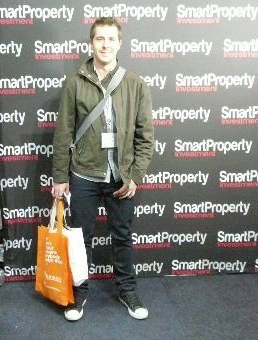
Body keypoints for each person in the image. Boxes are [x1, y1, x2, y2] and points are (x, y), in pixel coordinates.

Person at [52, 17, 154, 322]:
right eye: (99, 39)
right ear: (91, 43)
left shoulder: (135, 84)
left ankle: (127, 290)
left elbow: (145, 137)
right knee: (80, 239)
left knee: (121, 236)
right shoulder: (75, 82)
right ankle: (79, 293)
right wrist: (60, 177)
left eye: (111, 39)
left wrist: (135, 176)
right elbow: (63, 133)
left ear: (119, 44)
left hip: (120, 177)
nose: (105, 44)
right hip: (83, 174)